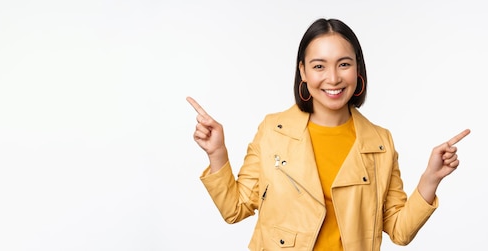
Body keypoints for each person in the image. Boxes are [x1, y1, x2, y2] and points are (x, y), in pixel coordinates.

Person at [186, 18, 470, 251]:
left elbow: (399, 231)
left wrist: (430, 178)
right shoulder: (273, 131)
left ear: (357, 69)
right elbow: (235, 210)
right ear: (303, 72)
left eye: (344, 64)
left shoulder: (380, 142)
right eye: (319, 66)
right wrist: (217, 153)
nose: (333, 78)